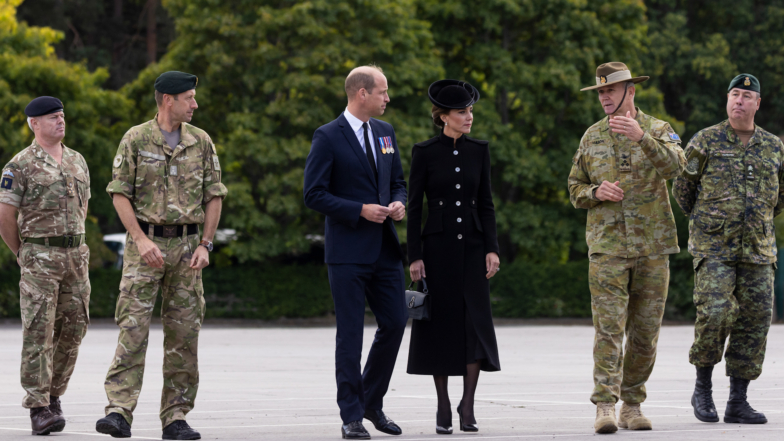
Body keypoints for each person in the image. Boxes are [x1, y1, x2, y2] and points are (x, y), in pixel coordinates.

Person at [95, 71, 227, 440]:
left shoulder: (201, 141)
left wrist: (206, 243)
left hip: (188, 249)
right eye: (189, 97)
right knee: (132, 330)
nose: (195, 104)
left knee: (184, 335)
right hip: (146, 247)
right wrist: (138, 239)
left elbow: (214, 194)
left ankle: (176, 416)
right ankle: (119, 411)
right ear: (167, 99)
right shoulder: (136, 138)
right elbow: (119, 192)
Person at [568, 62, 686, 434]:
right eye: (600, 92)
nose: (604, 97)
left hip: (653, 247)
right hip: (608, 248)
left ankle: (632, 404)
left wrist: (642, 138)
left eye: (610, 91)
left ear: (630, 91)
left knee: (645, 332)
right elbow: (574, 188)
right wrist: (594, 192)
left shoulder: (658, 129)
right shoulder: (591, 137)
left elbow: (678, 169)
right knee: (608, 328)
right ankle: (605, 404)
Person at [303, 65, 408, 440]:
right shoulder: (328, 136)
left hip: (384, 248)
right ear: (361, 93)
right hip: (347, 251)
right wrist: (358, 210)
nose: (387, 98)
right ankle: (351, 415)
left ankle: (371, 401)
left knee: (396, 322)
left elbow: (398, 182)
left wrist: (398, 203)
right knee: (350, 336)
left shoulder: (385, 132)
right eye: (382, 91)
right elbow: (313, 193)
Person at [673, 74, 780, 425]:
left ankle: (738, 400)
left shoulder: (773, 146)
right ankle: (702, 388)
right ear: (727, 100)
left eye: (747, 96)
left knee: (754, 323)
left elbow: (780, 198)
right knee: (716, 313)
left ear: (757, 104)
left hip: (758, 251)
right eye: (734, 94)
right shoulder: (705, 140)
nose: (739, 101)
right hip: (714, 247)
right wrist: (709, 221)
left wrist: (756, 222)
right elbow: (683, 190)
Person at [406, 79, 501, 435]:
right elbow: (415, 208)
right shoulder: (425, 151)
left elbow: (487, 204)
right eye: (462, 112)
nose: (469, 117)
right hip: (437, 250)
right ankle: (444, 402)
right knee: (441, 327)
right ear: (443, 116)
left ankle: (469, 404)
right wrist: (414, 255)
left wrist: (492, 247)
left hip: (474, 249)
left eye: (471, 110)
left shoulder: (480, 149)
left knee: (474, 326)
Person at [0, 96, 91, 436]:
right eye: (53, 117)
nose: (60, 121)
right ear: (34, 123)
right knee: (39, 330)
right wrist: (21, 252)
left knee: (74, 329)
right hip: (39, 257)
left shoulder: (77, 161)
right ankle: (38, 407)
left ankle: (54, 396)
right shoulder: (19, 165)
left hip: (75, 257)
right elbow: (5, 216)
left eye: (62, 116)